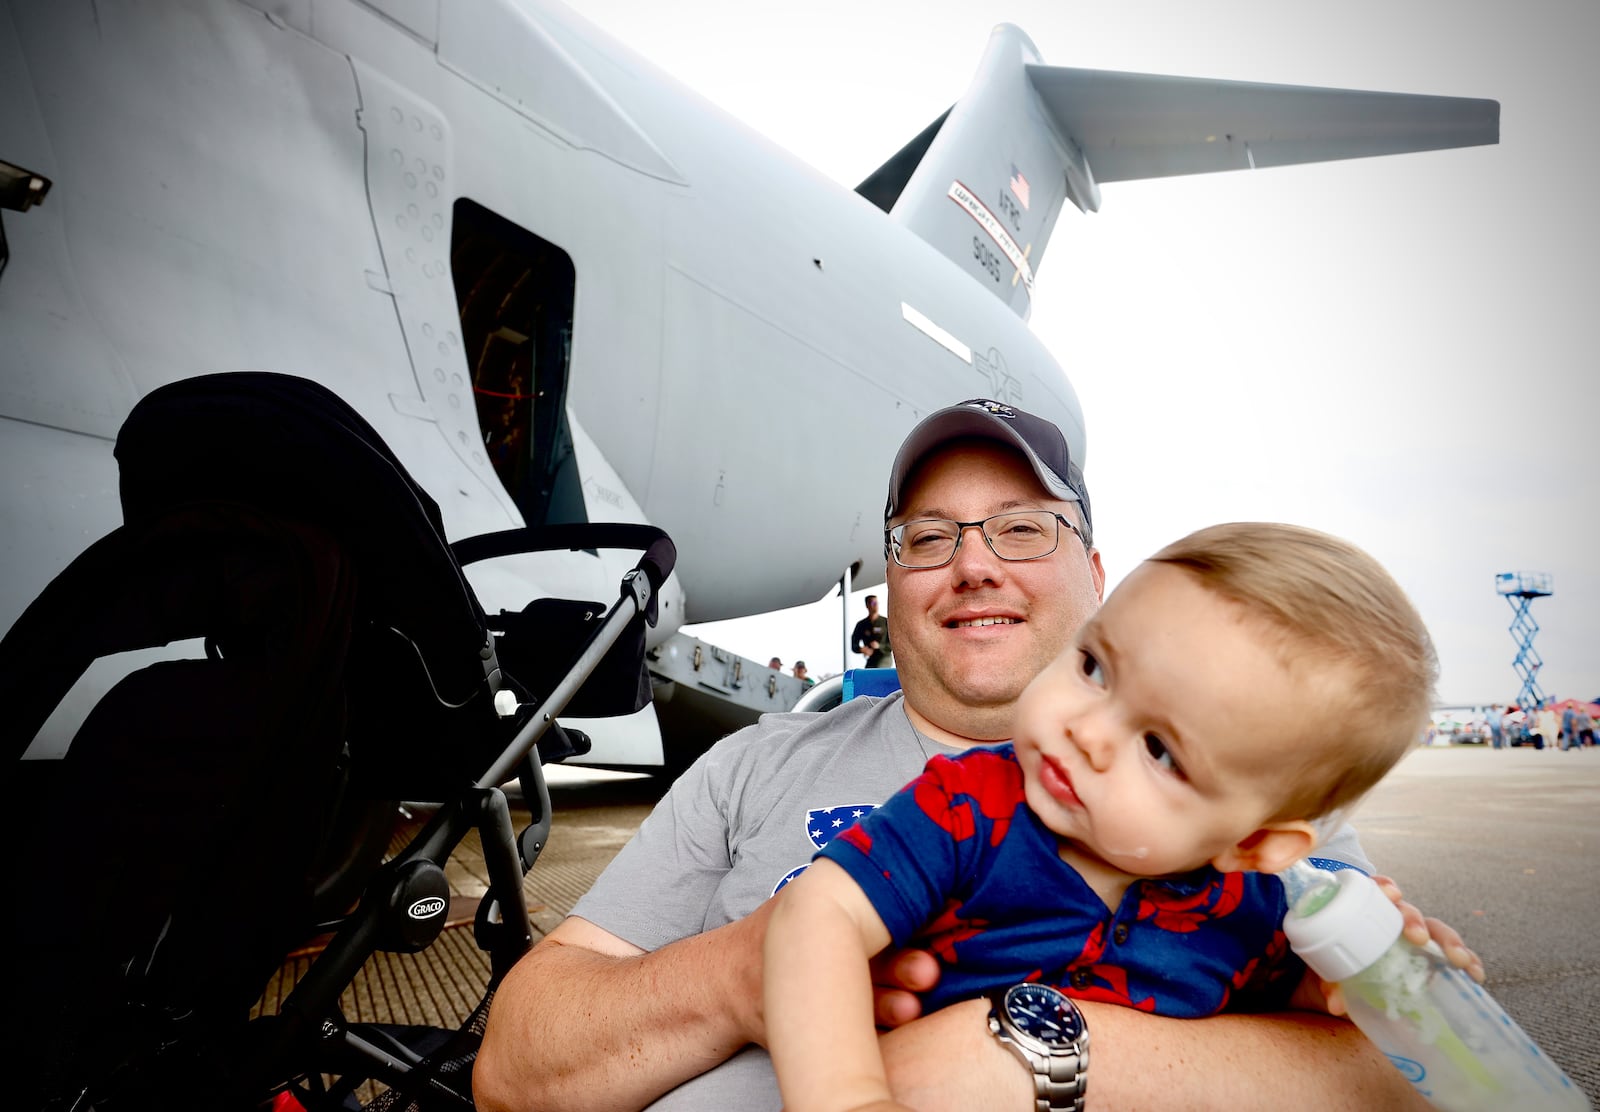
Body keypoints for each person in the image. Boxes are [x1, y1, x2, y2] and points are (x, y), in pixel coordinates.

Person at [474, 398, 1480, 1112]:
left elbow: (1419, 1073)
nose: (972, 561)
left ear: (1095, 569)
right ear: (888, 590)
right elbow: (513, 1071)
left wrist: (1029, 1056)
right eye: (926, 536)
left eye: (1020, 526)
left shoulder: (1258, 827)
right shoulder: (865, 787)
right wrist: (739, 976)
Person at [764, 522, 1436, 1112]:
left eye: (1159, 748)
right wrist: (848, 1097)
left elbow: (1299, 1046)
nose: (1089, 732)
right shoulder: (966, 809)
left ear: (1255, 842)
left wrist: (1332, 989)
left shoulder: (1257, 911)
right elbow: (819, 915)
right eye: (1096, 667)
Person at [851, 593, 892, 667]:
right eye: (873, 603)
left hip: (884, 658)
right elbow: (854, 644)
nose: (876, 605)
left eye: (877, 603)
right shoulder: (861, 624)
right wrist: (862, 649)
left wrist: (879, 646)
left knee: (878, 674)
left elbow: (893, 644)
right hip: (871, 658)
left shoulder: (886, 622)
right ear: (867, 605)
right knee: (866, 676)